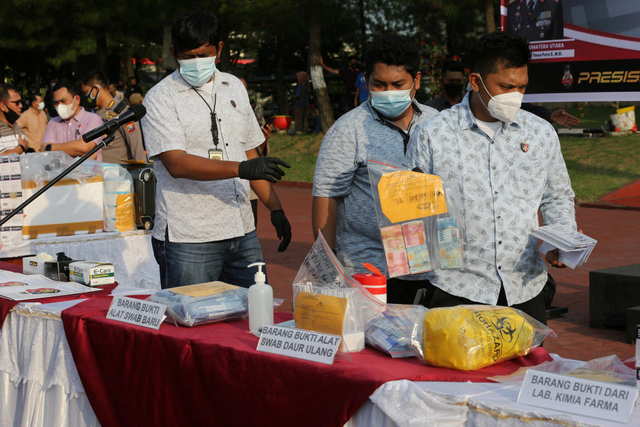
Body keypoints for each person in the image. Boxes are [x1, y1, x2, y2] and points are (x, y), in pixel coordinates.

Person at [407, 31, 577, 325]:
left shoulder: (540, 133)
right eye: (506, 87)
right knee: (456, 370)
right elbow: (412, 210)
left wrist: (560, 237)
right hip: (457, 287)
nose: (516, 96)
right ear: (475, 82)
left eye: (522, 87)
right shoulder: (432, 134)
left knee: (523, 370)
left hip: (524, 286)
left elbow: (557, 196)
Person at [141, 10, 292, 289]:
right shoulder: (160, 98)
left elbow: (249, 154)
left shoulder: (234, 87)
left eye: (204, 54)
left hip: (242, 231)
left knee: (254, 316)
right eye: (188, 56)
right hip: (189, 237)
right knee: (190, 322)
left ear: (219, 49)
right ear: (174, 53)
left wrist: (275, 209)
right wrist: (241, 169)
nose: (196, 62)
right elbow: (176, 163)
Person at [312, 35, 438, 305]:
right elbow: (327, 196)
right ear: (366, 80)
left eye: (398, 84)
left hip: (432, 270)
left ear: (416, 80)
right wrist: (328, 262)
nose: (388, 92)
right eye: (379, 84)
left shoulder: (438, 125)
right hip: (369, 271)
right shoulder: (348, 130)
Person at [81, 71, 148, 164]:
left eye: (86, 93)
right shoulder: (92, 114)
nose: (85, 98)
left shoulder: (123, 113)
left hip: (119, 175)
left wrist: (142, 174)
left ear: (96, 89)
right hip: (96, 174)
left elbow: (136, 148)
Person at [40, 80, 105, 161]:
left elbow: (83, 147)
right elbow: (44, 153)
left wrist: (50, 147)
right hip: (61, 173)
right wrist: (79, 152)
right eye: (56, 102)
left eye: (63, 101)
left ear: (77, 99)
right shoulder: (53, 122)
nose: (59, 106)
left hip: (89, 173)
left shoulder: (94, 119)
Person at [0, 84, 29, 156]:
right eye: (17, 103)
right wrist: (21, 148)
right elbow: (2, 155)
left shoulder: (17, 126)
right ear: (3, 106)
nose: (21, 106)